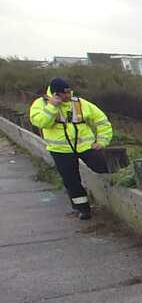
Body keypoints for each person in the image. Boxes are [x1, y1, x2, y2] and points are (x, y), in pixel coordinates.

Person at [29, 77, 113, 221]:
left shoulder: (80, 103)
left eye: (69, 93)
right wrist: (52, 107)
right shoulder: (41, 104)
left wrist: (102, 141)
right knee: (71, 180)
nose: (68, 96)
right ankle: (82, 209)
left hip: (86, 146)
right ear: (56, 94)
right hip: (60, 150)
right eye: (64, 94)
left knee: (104, 167)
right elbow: (41, 122)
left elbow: (102, 121)